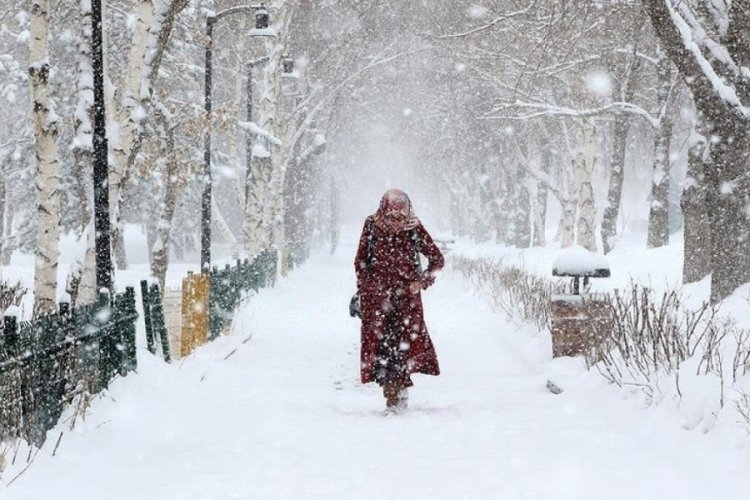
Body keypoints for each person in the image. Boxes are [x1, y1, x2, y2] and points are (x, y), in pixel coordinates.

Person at [354, 188, 445, 414]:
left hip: (407, 303)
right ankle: (392, 393)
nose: (396, 222)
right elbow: (360, 261)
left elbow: (437, 260)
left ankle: (397, 394)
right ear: (383, 211)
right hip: (377, 302)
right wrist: (368, 286)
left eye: (400, 217)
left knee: (401, 348)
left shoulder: (414, 229)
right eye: (391, 217)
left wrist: (421, 282)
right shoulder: (372, 226)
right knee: (382, 349)